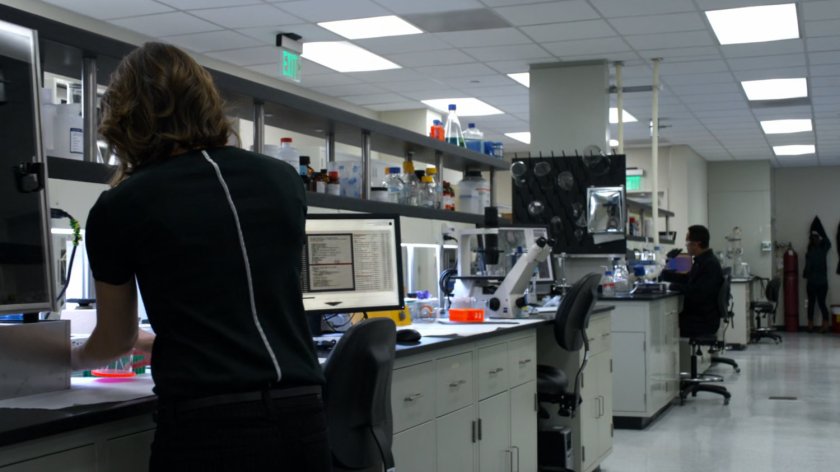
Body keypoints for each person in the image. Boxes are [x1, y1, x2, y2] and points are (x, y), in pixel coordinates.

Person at [71, 43, 331, 471]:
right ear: (207, 101)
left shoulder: (121, 205)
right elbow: (244, 299)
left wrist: (71, 358)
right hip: (304, 419)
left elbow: (114, 340)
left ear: (123, 116)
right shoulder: (283, 181)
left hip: (210, 429)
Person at [662, 225, 725, 337]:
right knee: (666, 321)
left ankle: (668, 349)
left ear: (696, 244)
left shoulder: (710, 264)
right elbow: (685, 279)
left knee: (664, 324)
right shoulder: (701, 261)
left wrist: (672, 286)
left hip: (702, 321)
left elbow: (697, 293)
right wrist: (670, 263)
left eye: (687, 242)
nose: (686, 246)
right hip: (699, 316)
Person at [803, 231, 831, 332]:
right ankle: (825, 325)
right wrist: (821, 233)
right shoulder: (823, 250)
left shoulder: (809, 253)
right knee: (822, 303)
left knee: (811, 303)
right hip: (823, 282)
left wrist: (805, 275)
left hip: (812, 282)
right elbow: (828, 243)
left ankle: (810, 325)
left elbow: (807, 268)